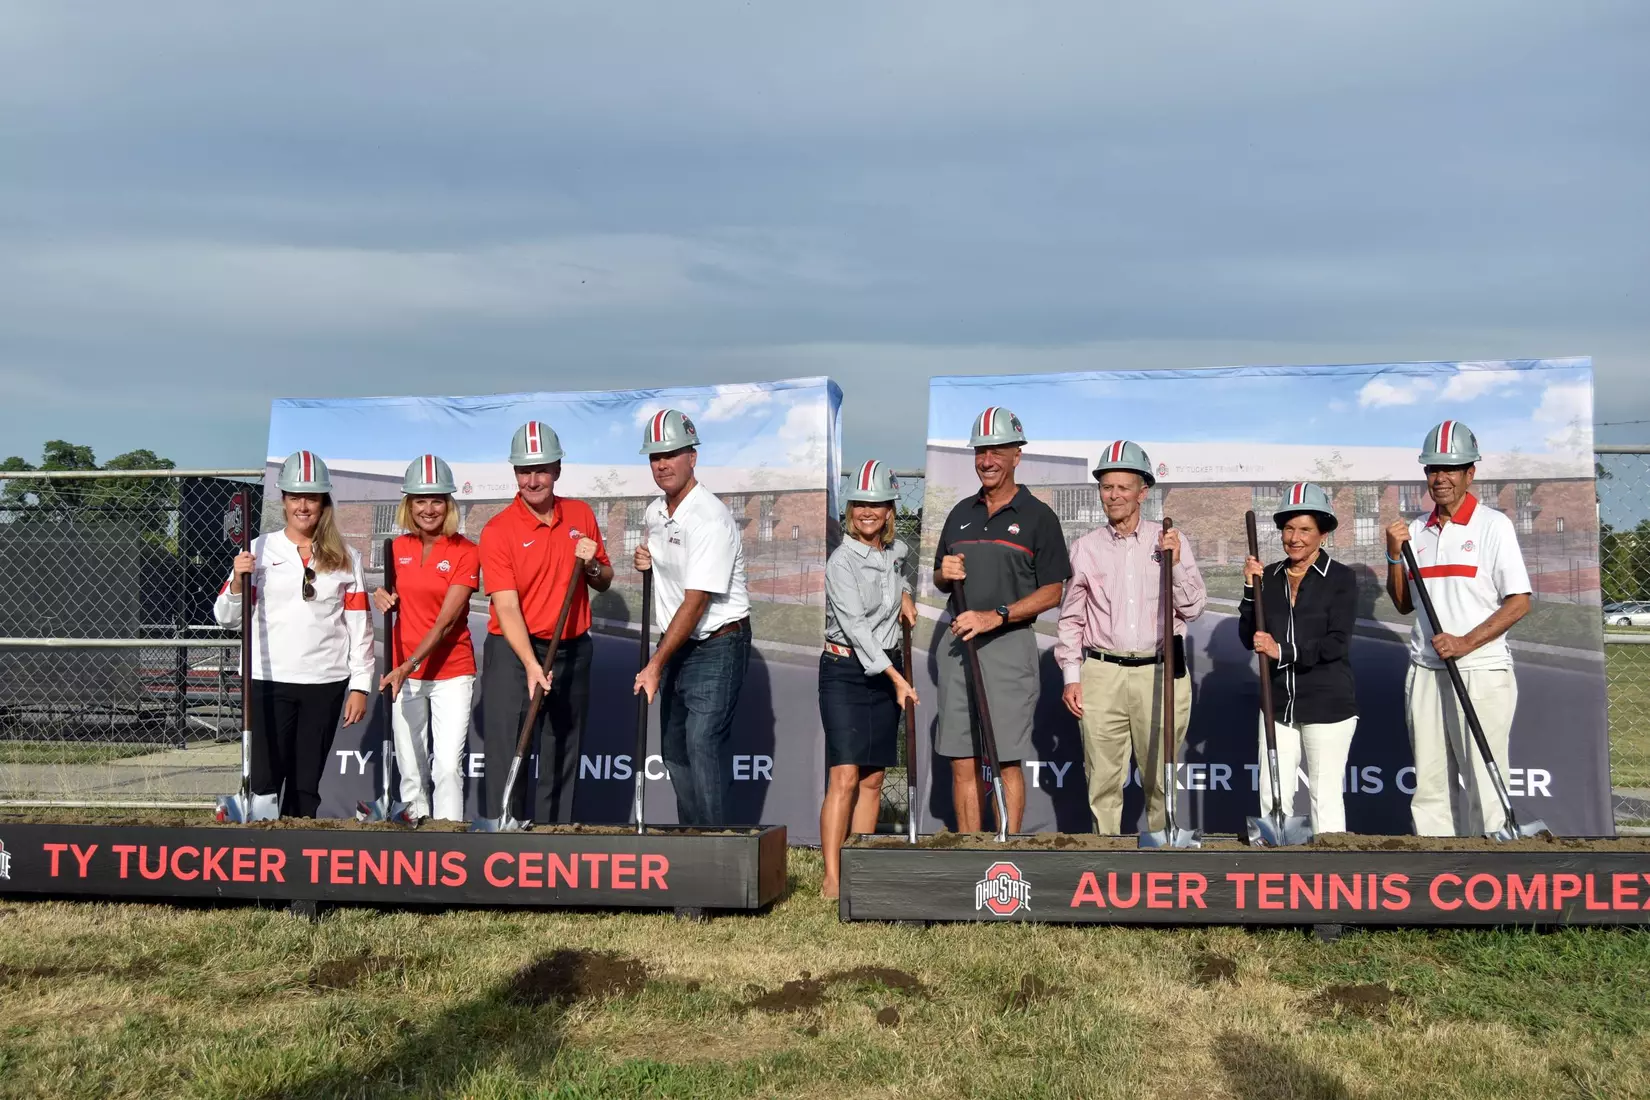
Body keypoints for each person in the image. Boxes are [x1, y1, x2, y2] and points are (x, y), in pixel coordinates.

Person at [1387, 420, 1531, 837]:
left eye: (1451, 469)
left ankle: (1492, 860)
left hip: (1481, 668)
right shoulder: (1415, 530)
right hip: (1425, 669)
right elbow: (1403, 603)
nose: (1441, 478)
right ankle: (1440, 864)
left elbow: (1519, 601)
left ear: (1471, 473)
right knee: (1430, 785)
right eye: (1433, 469)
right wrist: (1394, 555)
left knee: (1484, 779)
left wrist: (1466, 642)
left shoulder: (1493, 525)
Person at [1055, 440, 1205, 835]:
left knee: (1161, 778)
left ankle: (1165, 853)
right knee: (1102, 779)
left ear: (1143, 492)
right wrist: (1072, 676)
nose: (1114, 495)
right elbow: (1070, 619)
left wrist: (1175, 564)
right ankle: (1106, 856)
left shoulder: (1169, 540)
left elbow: (1193, 608)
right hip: (1102, 673)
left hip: (1160, 672)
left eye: (1124, 487)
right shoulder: (1085, 548)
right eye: (1107, 487)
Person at [933, 407, 1070, 834]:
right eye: (981, 451)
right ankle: (971, 854)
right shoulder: (960, 512)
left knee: (1005, 759)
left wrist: (997, 616)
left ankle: (1004, 852)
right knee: (962, 760)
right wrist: (943, 573)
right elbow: (940, 576)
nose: (987, 460)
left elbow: (1053, 591)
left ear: (1017, 456)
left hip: (1009, 646)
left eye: (997, 451)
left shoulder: (1038, 517)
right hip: (958, 646)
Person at [214, 450, 372, 817]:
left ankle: (298, 843)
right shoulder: (258, 549)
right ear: (283, 500)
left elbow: (359, 626)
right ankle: (260, 845)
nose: (303, 506)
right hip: (266, 680)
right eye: (296, 497)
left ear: (323, 502)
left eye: (312, 498)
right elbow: (226, 618)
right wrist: (237, 581)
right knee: (264, 782)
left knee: (305, 784)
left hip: (325, 682)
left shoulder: (347, 556)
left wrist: (360, 686)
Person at [478, 421, 613, 825]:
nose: (532, 480)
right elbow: (506, 607)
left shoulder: (581, 513)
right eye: (524, 471)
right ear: (515, 472)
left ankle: (554, 836)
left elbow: (604, 579)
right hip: (513, 652)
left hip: (571, 648)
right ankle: (505, 835)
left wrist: (591, 564)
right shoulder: (497, 530)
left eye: (541, 470)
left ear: (557, 469)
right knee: (509, 750)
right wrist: (531, 665)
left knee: (563, 749)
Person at [631, 409, 752, 827]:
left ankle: (718, 849)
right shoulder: (655, 513)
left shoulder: (709, 518)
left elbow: (696, 602)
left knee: (702, 743)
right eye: (655, 456)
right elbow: (670, 559)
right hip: (678, 643)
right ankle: (692, 840)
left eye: (672, 454)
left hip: (717, 642)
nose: (662, 464)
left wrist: (654, 665)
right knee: (675, 752)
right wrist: (648, 559)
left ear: (692, 457)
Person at [819, 460, 919, 898]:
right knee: (844, 775)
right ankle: (832, 877)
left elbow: (900, 572)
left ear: (889, 510)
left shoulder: (895, 553)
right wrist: (898, 678)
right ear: (849, 509)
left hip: (885, 673)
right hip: (845, 672)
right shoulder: (841, 561)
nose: (867, 512)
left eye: (876, 504)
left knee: (873, 779)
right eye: (859, 504)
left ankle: (857, 869)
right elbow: (857, 629)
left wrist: (906, 594)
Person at [1238, 482, 1359, 833]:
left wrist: (1283, 651)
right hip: (1277, 704)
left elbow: (1337, 643)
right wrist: (1250, 590)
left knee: (1325, 795)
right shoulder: (1269, 577)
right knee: (1272, 794)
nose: (1295, 538)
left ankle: (1331, 861)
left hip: (1328, 704)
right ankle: (1274, 859)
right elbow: (1248, 637)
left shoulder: (1341, 578)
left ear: (1323, 534)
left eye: (1305, 529)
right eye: (1289, 528)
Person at [373, 454, 480, 823]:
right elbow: (395, 597)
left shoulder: (466, 551)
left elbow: (446, 623)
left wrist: (409, 664)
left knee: (447, 767)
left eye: (437, 500)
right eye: (420, 500)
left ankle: (448, 838)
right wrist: (382, 597)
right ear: (409, 504)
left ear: (449, 504)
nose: (429, 509)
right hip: (404, 674)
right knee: (412, 768)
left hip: (451, 673)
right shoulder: (397, 549)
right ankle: (414, 836)